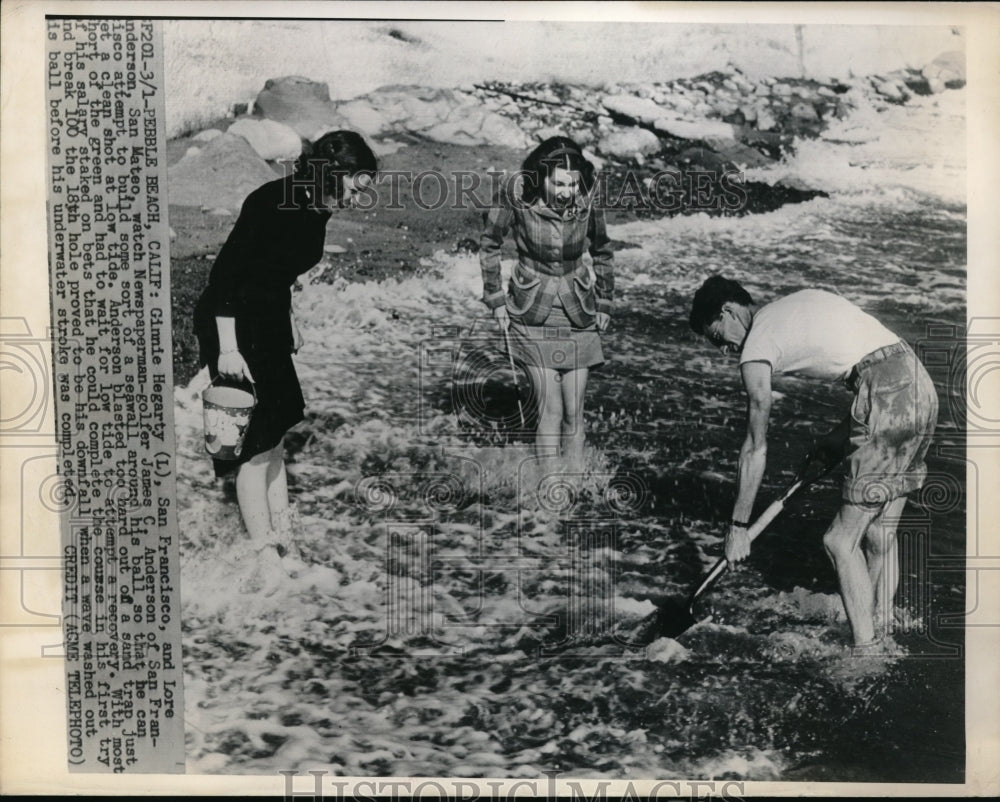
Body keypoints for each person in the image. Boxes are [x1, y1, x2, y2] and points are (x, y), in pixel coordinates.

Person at [688, 276, 938, 653]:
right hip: (919, 386)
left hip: (886, 397)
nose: (725, 350)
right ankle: (882, 625)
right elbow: (874, 361)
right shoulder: (785, 309)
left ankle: (866, 654)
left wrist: (738, 527)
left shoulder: (755, 346)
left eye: (718, 337)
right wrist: (834, 442)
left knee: (839, 541)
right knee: (878, 532)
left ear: (728, 312)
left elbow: (754, 447)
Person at [193, 130, 377, 592]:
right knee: (254, 447)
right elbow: (225, 278)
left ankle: (285, 545)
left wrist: (289, 316)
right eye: (357, 184)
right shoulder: (273, 203)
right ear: (333, 173)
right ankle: (264, 559)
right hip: (231, 324)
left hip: (268, 318)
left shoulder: (317, 207)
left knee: (274, 438)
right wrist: (228, 349)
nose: (361, 195)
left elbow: (275, 269)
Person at [479, 136, 614, 471]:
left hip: (579, 312)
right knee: (550, 409)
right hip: (530, 313)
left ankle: (575, 485)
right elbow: (489, 244)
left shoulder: (588, 195)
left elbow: (602, 250)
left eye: (572, 184)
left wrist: (605, 301)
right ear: (541, 177)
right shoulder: (515, 192)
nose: (567, 192)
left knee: (574, 412)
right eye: (558, 184)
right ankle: (550, 488)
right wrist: (495, 298)